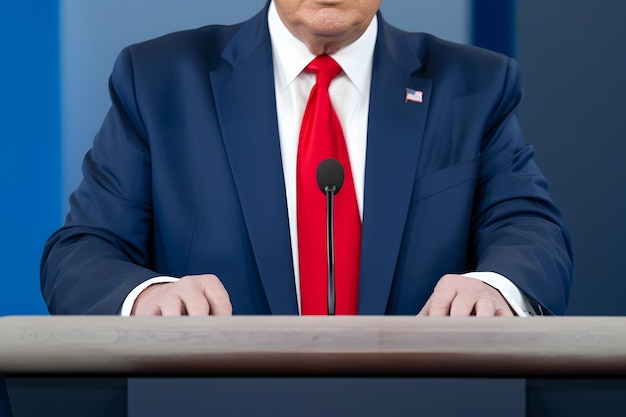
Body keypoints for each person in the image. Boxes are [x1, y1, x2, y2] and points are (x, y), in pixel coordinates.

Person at [40, 0, 572, 317]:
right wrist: (148, 296)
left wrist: (495, 285)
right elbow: (82, 253)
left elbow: (529, 228)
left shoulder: (475, 85)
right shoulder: (158, 80)